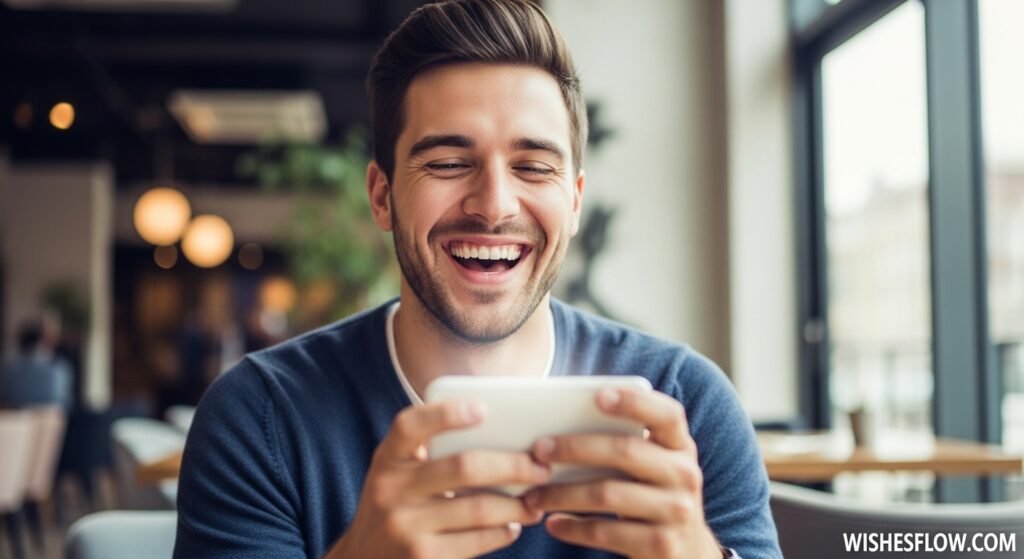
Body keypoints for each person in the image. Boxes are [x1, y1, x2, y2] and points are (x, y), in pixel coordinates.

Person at [174, 1, 781, 557]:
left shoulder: (686, 405)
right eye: (447, 163)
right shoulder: (261, 418)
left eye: (533, 166)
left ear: (574, 203)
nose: (493, 205)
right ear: (382, 197)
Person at [0, 317, 72, 409]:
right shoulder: (59, 370)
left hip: (17, 420)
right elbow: (65, 404)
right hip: (50, 420)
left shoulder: (8, 369)